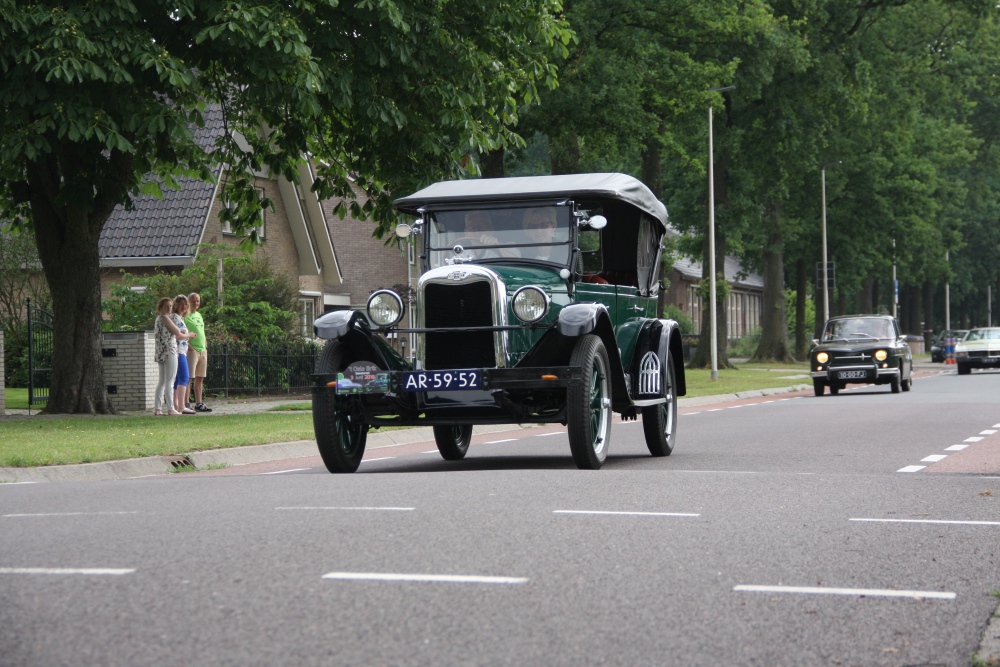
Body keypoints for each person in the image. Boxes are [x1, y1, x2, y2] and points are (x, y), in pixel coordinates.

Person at [153, 298, 193, 416]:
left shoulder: (158, 319)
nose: (169, 308)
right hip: (169, 351)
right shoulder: (165, 318)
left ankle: (158, 408)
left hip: (160, 351)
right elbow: (177, 332)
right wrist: (189, 335)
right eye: (166, 306)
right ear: (160, 307)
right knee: (170, 381)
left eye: (170, 306)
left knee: (162, 381)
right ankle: (171, 408)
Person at [184, 292, 212, 412]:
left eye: (198, 301)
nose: (196, 303)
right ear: (188, 302)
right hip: (192, 350)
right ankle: (186, 402)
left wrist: (205, 343)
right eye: (193, 300)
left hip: (202, 350)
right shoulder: (185, 316)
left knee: (200, 377)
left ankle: (199, 402)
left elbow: (201, 330)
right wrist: (189, 346)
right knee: (189, 377)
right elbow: (182, 333)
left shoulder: (199, 315)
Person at [170, 294, 197, 415]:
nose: (184, 306)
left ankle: (176, 405)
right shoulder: (175, 318)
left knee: (177, 379)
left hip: (182, 351)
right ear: (176, 305)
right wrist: (189, 335)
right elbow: (178, 335)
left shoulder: (179, 318)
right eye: (181, 304)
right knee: (185, 377)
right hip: (178, 351)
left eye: (186, 304)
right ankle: (181, 405)